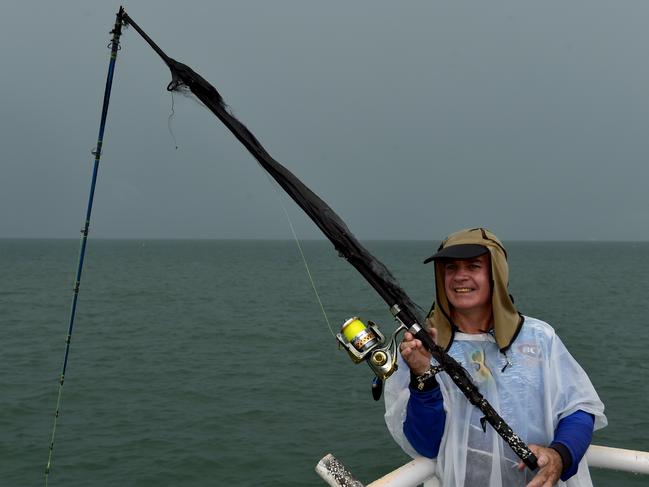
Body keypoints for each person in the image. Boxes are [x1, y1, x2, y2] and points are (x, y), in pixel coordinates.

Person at [384, 228, 606, 487]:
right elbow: (427, 445)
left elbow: (579, 408)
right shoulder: (423, 346)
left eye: (473, 265)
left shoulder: (539, 339)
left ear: (496, 275)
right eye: (450, 268)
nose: (460, 277)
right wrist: (422, 376)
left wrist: (559, 455)